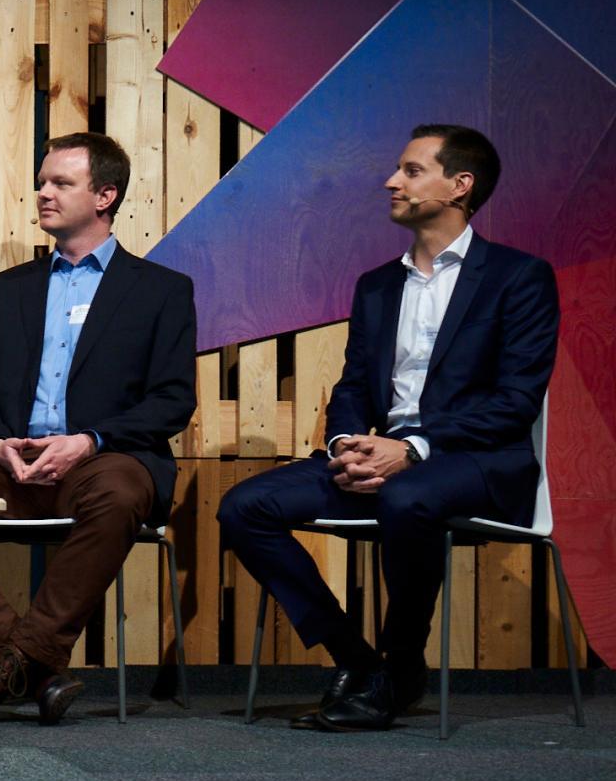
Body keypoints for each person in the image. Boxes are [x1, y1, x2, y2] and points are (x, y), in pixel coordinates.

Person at [218, 125, 558, 731]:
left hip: (477, 460)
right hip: (384, 457)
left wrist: (414, 448)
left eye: (410, 170)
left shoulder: (518, 277)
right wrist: (347, 445)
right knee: (245, 506)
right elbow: (352, 388)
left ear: (460, 186)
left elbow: (515, 402)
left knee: (408, 495)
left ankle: (402, 662)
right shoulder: (378, 285)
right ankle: (363, 663)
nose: (390, 181)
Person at [0, 132, 197, 726]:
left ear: (106, 195)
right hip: (10, 461)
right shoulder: (7, 290)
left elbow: (172, 400)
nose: (43, 193)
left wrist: (89, 440)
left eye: (61, 183)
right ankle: (26, 661)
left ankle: (7, 666)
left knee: (119, 495)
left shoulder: (161, 291)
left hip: (105, 458)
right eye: (42, 181)